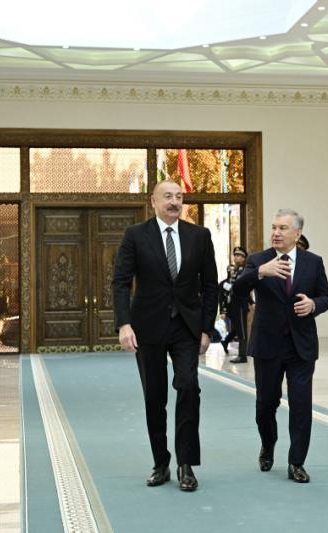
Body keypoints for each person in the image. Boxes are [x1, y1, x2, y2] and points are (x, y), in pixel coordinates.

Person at [112, 180, 218, 492]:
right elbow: (120, 282)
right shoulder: (135, 235)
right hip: (148, 326)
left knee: (188, 386)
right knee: (154, 396)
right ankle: (161, 463)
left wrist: (206, 328)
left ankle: (186, 464)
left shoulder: (199, 236)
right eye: (168, 196)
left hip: (186, 327)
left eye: (179, 197)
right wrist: (124, 324)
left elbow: (210, 285)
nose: (174, 202)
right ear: (153, 202)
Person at [232, 208, 328, 483]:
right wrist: (260, 273)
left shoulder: (313, 262)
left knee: (301, 405)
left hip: (301, 346)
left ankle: (296, 462)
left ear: (298, 233)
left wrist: (313, 305)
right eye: (274, 227)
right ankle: (268, 444)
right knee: (266, 404)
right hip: (268, 344)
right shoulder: (258, 260)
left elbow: (326, 297)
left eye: (283, 228)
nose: (276, 233)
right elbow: (238, 290)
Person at [220, 246, 251, 363]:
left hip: (240, 303)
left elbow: (240, 286)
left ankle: (242, 355)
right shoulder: (237, 271)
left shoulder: (244, 270)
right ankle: (239, 352)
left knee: (241, 329)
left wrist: (230, 287)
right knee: (238, 328)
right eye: (235, 255)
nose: (236, 257)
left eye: (239, 255)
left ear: (244, 258)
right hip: (234, 304)